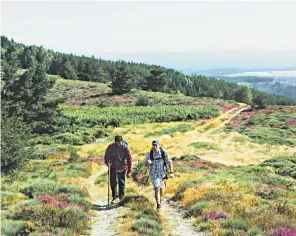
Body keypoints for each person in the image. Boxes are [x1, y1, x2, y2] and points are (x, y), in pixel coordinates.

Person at [144, 140, 174, 209]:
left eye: (156, 145)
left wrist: (171, 172)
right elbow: (145, 165)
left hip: (162, 174)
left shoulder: (164, 152)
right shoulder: (149, 154)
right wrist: (147, 163)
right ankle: (158, 204)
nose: (154, 147)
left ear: (159, 146)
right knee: (157, 187)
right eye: (153, 145)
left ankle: (159, 200)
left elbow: (169, 162)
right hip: (153, 174)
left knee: (161, 188)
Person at [104, 135, 133, 203]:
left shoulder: (125, 148)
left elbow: (129, 159)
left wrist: (129, 171)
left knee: (121, 182)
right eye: (116, 142)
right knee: (113, 182)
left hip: (122, 167)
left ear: (121, 142)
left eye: (119, 143)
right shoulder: (110, 146)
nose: (118, 144)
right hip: (112, 167)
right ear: (115, 142)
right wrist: (107, 162)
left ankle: (121, 198)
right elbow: (106, 156)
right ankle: (114, 197)